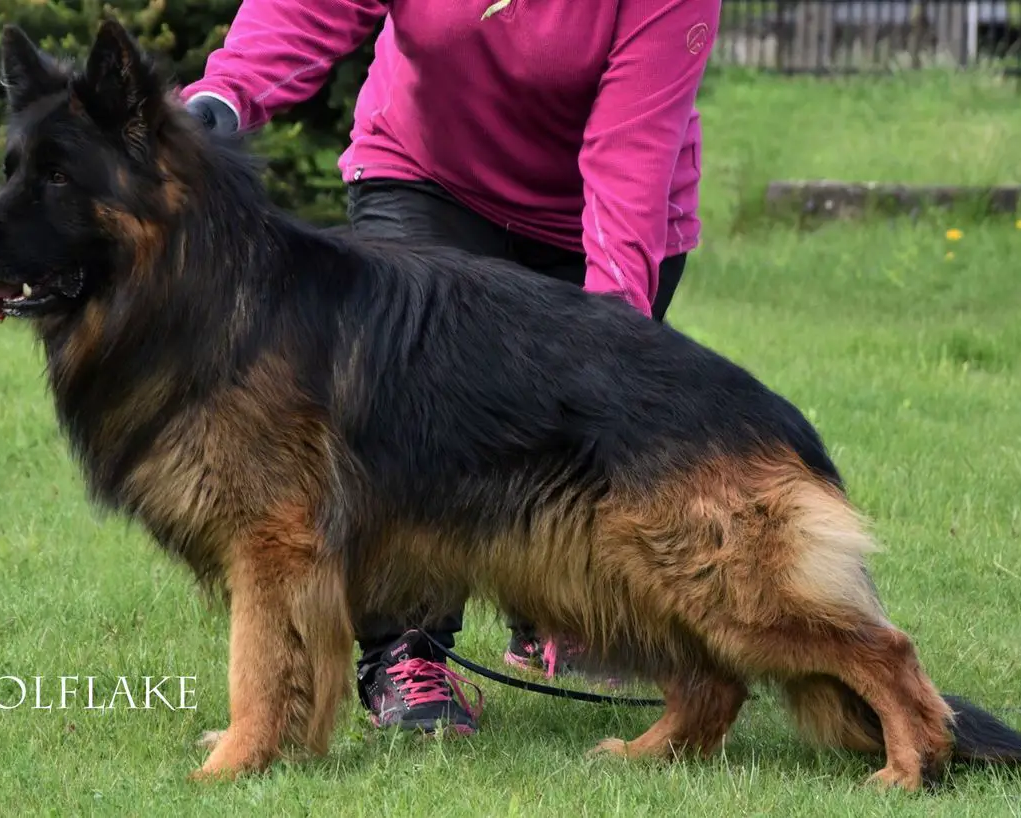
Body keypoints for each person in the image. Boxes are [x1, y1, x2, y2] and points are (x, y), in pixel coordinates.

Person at [181, 0, 720, 738]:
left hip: (600, 217)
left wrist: (612, 326)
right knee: (399, 422)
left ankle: (556, 605)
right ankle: (406, 650)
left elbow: (631, 149)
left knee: (576, 425)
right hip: (426, 178)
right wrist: (229, 90)